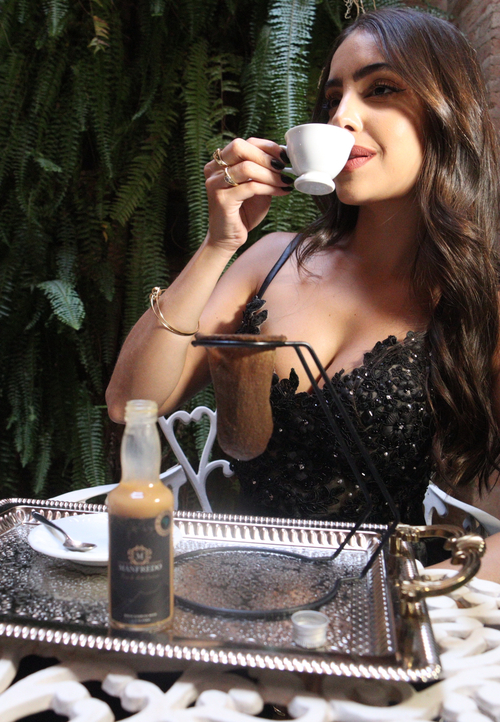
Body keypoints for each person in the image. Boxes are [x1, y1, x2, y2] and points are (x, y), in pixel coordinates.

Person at [107, 8, 500, 574]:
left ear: (447, 109)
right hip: (241, 578)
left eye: (381, 89)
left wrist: (414, 597)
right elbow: (129, 403)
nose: (341, 117)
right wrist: (220, 243)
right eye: (332, 99)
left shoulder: (477, 297)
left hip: (383, 598)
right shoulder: (271, 258)